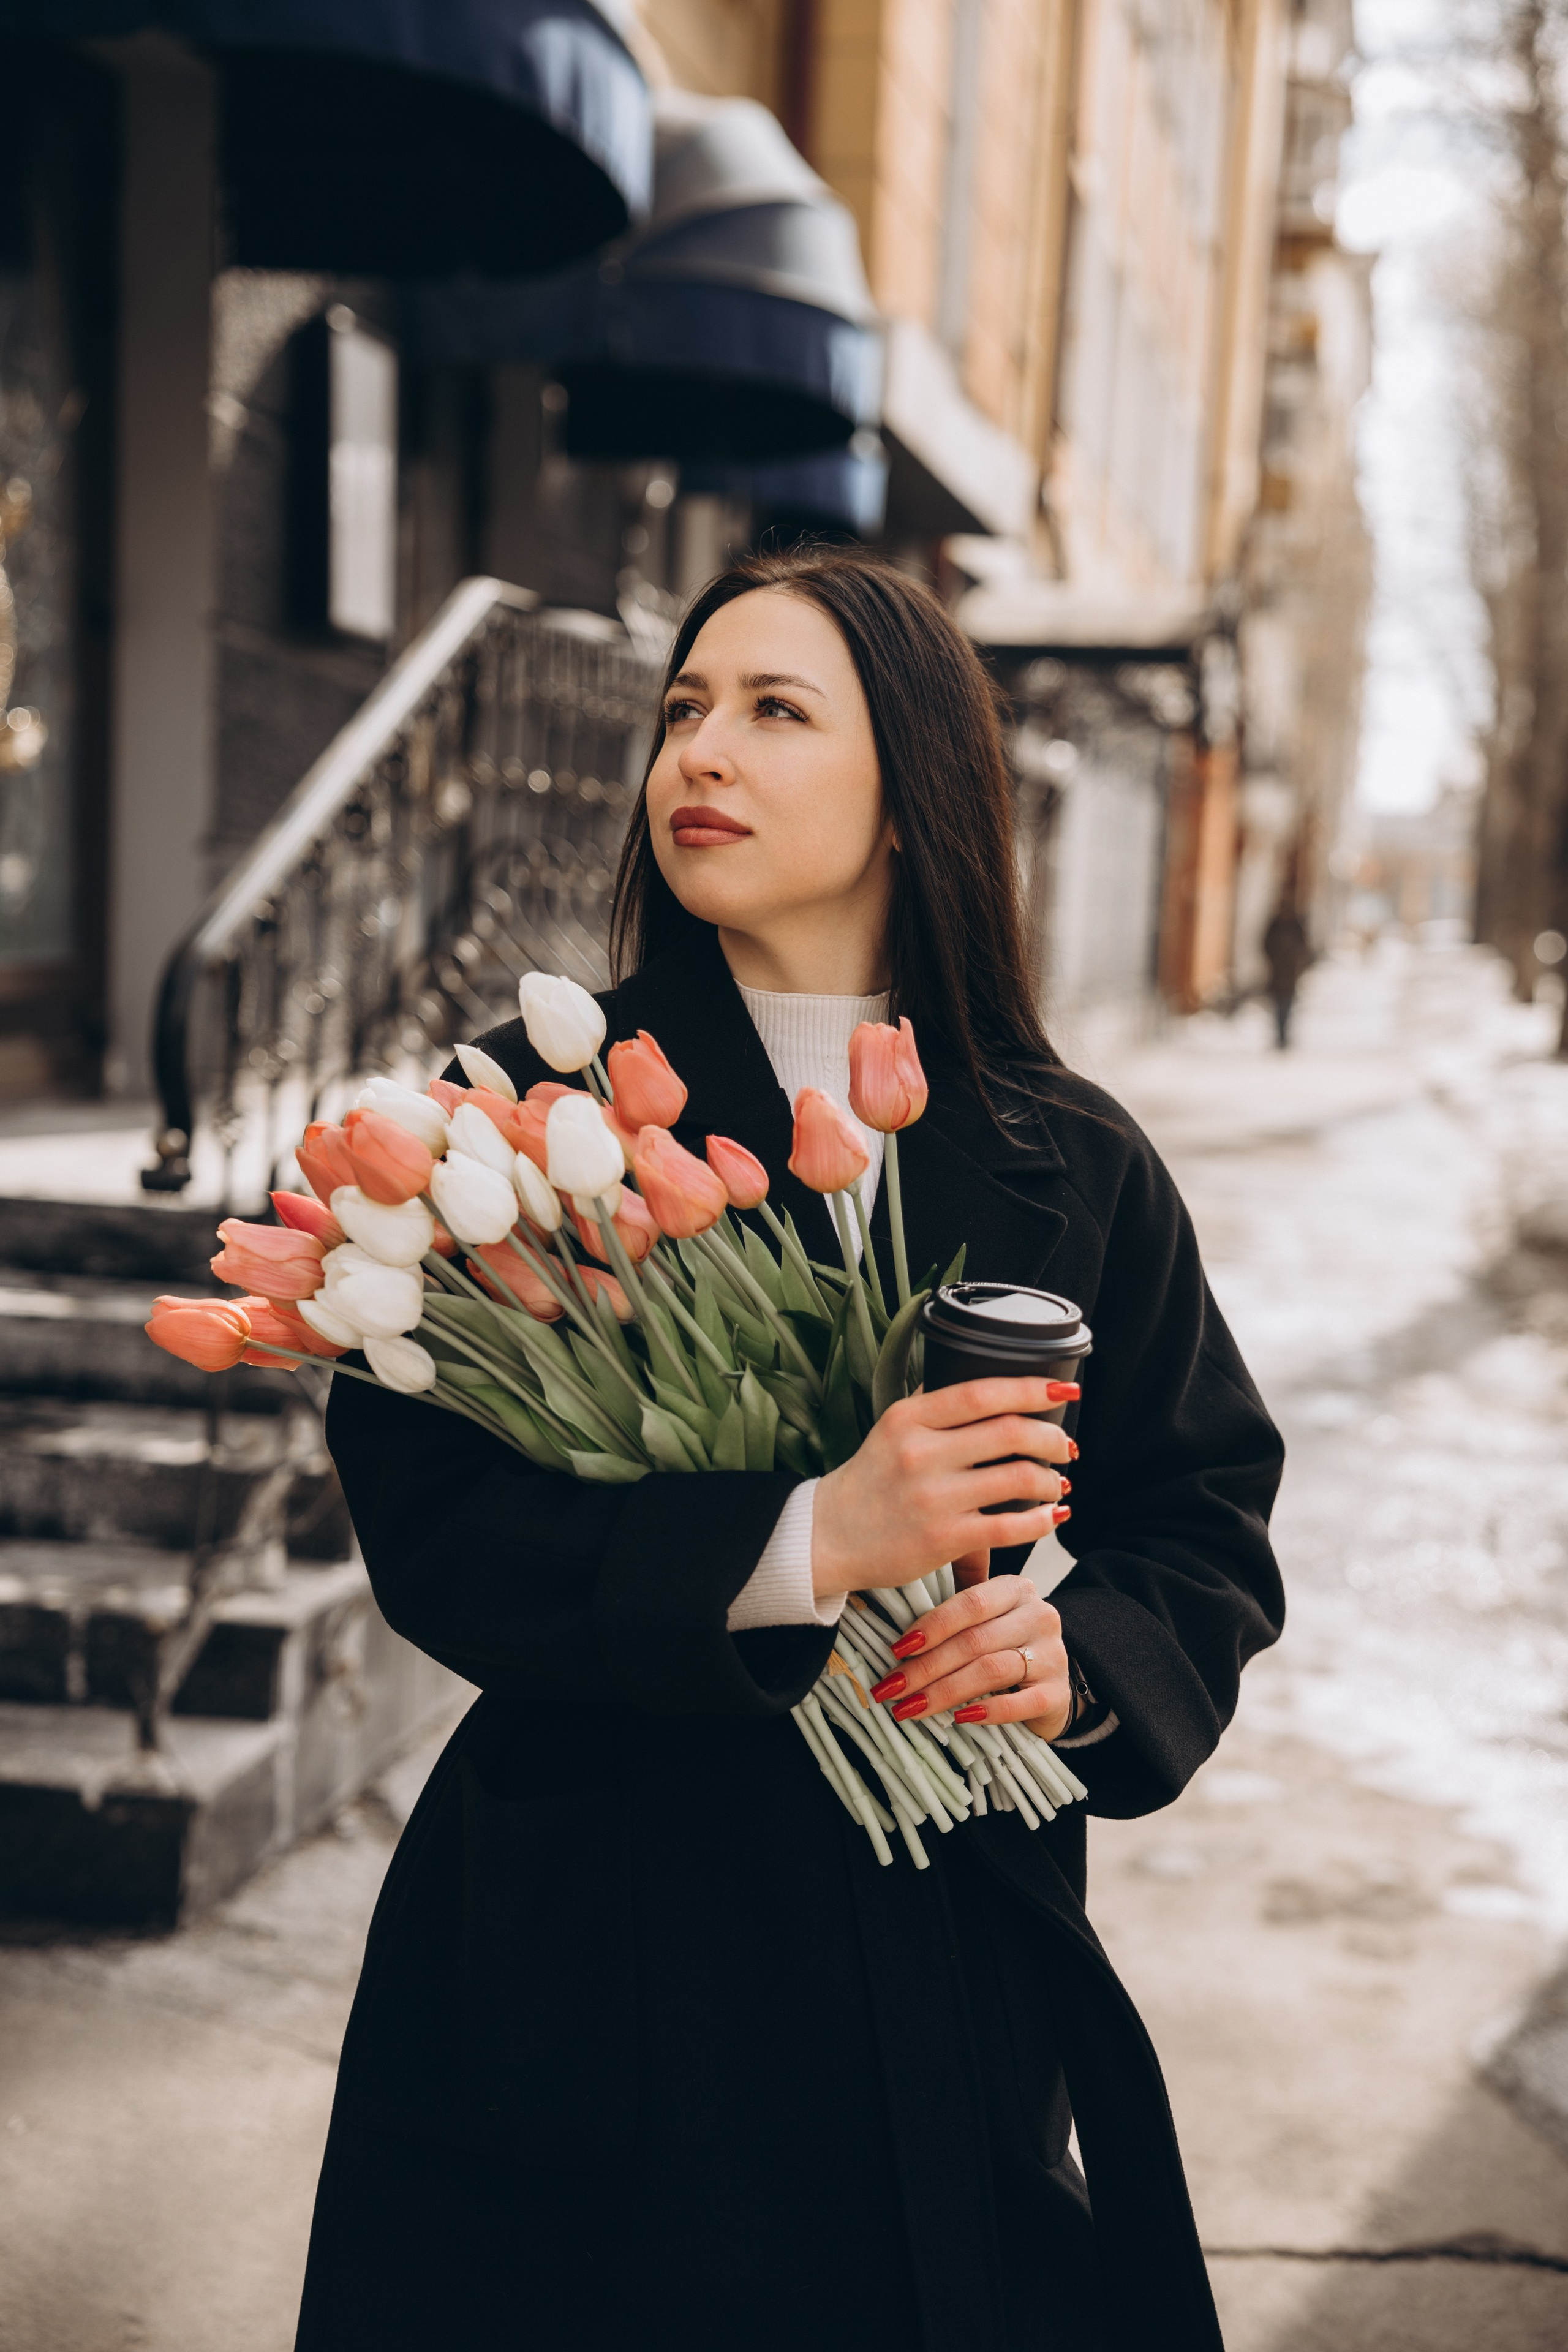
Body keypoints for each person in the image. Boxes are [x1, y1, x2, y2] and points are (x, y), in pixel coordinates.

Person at [295, 548, 1284, 2352]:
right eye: (683, 707)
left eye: (772, 711)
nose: (699, 751)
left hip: (929, 1942)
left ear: (910, 790)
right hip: (584, 1923)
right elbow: (434, 1515)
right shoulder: (519, 1120)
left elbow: (1200, 1509)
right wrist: (805, 1539)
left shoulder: (1067, 1153)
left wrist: (1079, 1658)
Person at [1262, 895, 1311, 1049]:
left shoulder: (1296, 926)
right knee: (1278, 1005)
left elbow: (1304, 947)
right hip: (1277, 972)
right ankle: (1280, 1035)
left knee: (1288, 1005)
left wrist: (1297, 963)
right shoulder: (1275, 926)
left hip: (1291, 973)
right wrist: (1274, 960)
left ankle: (1285, 1035)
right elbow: (1266, 945)